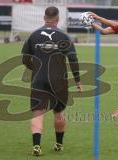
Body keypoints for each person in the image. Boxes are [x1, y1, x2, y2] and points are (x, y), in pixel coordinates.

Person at [21, 6, 82, 156]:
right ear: (58, 19)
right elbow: (73, 59)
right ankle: (59, 144)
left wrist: (34, 68)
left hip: (38, 79)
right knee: (59, 112)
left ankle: (36, 146)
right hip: (58, 80)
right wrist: (78, 81)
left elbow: (24, 59)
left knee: (37, 112)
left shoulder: (33, 35)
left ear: (44, 18)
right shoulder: (64, 36)